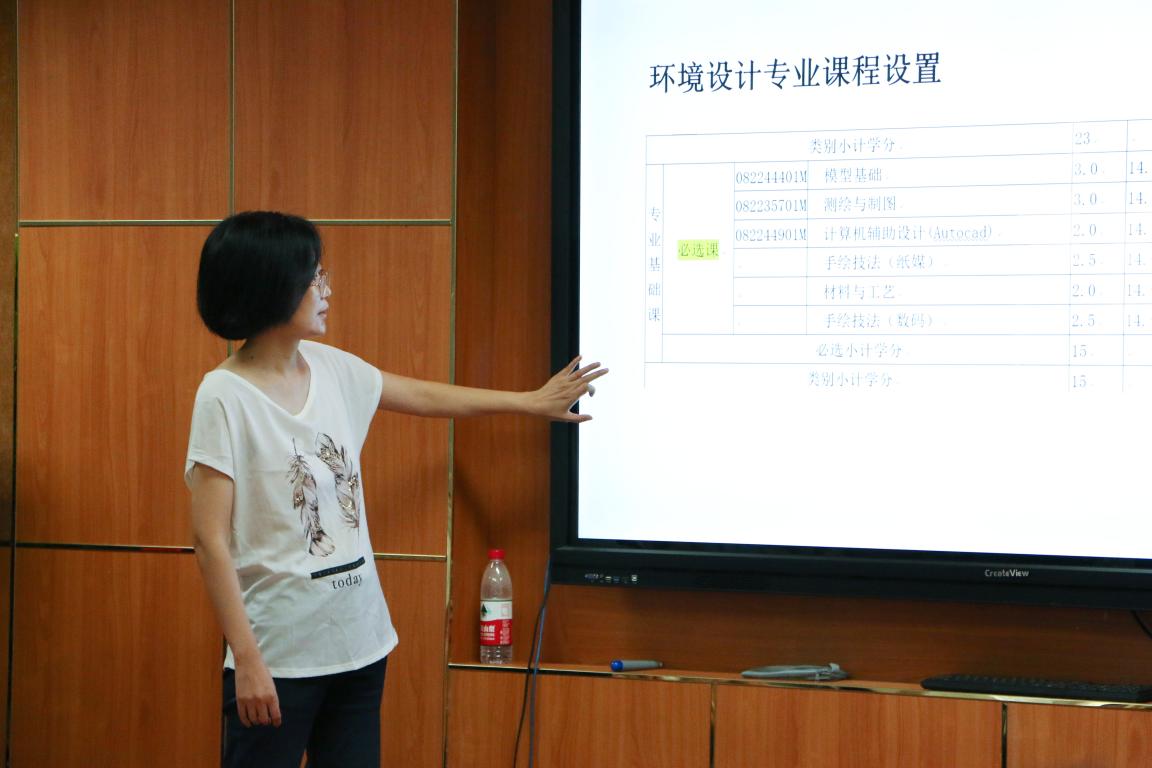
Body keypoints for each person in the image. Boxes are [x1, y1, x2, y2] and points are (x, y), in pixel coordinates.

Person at [185, 211, 606, 767]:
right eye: (315, 277)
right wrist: (247, 659)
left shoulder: (333, 368)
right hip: (279, 658)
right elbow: (210, 541)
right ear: (274, 286)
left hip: (361, 645)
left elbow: (426, 397)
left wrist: (529, 402)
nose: (326, 290)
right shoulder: (223, 395)